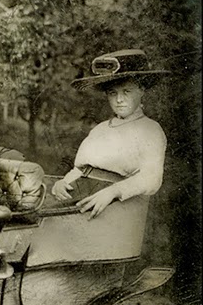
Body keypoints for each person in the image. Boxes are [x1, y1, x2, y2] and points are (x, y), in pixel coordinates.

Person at [51, 48, 169, 218]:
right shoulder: (100, 129)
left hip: (118, 210)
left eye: (126, 92)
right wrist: (63, 183)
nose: (119, 99)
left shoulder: (150, 130)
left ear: (141, 90)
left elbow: (151, 178)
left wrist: (112, 192)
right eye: (113, 93)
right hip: (81, 205)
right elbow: (82, 170)